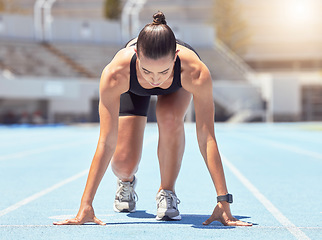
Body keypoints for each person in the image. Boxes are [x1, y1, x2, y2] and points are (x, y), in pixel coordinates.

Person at [53, 12, 252, 226]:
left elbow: (207, 138)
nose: (155, 80)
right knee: (123, 163)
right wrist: (86, 204)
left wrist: (223, 201)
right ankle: (126, 181)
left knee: (168, 119)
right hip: (133, 86)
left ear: (175, 57)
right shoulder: (116, 73)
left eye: (163, 72)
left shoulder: (194, 72)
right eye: (147, 71)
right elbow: (106, 140)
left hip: (177, 85)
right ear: (137, 55)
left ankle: (167, 191)